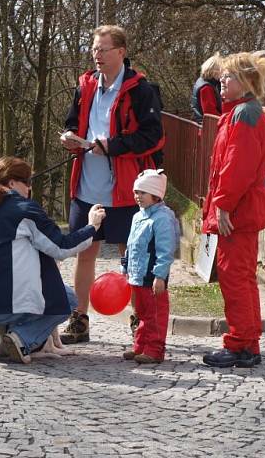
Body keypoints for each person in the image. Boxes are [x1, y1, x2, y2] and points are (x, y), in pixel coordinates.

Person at [59, 24, 164, 344]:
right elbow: (72, 122)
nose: (97, 55)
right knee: (84, 252)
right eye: (94, 49)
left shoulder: (141, 89)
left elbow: (153, 137)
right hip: (87, 185)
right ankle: (79, 319)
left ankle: (139, 321)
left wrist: (113, 146)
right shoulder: (85, 86)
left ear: (121, 52)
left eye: (103, 49)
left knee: (131, 255)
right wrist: (70, 137)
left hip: (125, 189)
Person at [0, 156, 106, 364]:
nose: (30, 189)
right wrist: (92, 226)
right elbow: (61, 247)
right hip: (6, 304)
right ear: (12, 183)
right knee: (68, 301)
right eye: (27, 182)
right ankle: (22, 338)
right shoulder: (23, 209)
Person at [201, 52, 265, 368]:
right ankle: (248, 342)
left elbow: (236, 168)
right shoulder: (243, 113)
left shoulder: (244, 115)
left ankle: (240, 344)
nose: (222, 82)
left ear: (243, 82)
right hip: (242, 209)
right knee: (242, 278)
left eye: (228, 77)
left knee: (235, 279)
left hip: (238, 211)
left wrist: (223, 207)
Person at [121, 169, 180, 364]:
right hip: (136, 275)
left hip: (152, 276)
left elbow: (165, 250)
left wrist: (160, 275)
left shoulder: (162, 218)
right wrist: (126, 266)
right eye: (136, 192)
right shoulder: (138, 216)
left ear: (155, 195)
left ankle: (154, 350)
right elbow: (131, 244)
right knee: (141, 314)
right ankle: (140, 346)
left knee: (155, 315)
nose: (137, 196)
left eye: (142, 193)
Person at [190, 52, 223, 123]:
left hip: (203, 123)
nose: (222, 73)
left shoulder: (202, 81)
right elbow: (210, 113)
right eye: (221, 70)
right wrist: (225, 121)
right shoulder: (206, 87)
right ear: (215, 71)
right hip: (206, 127)